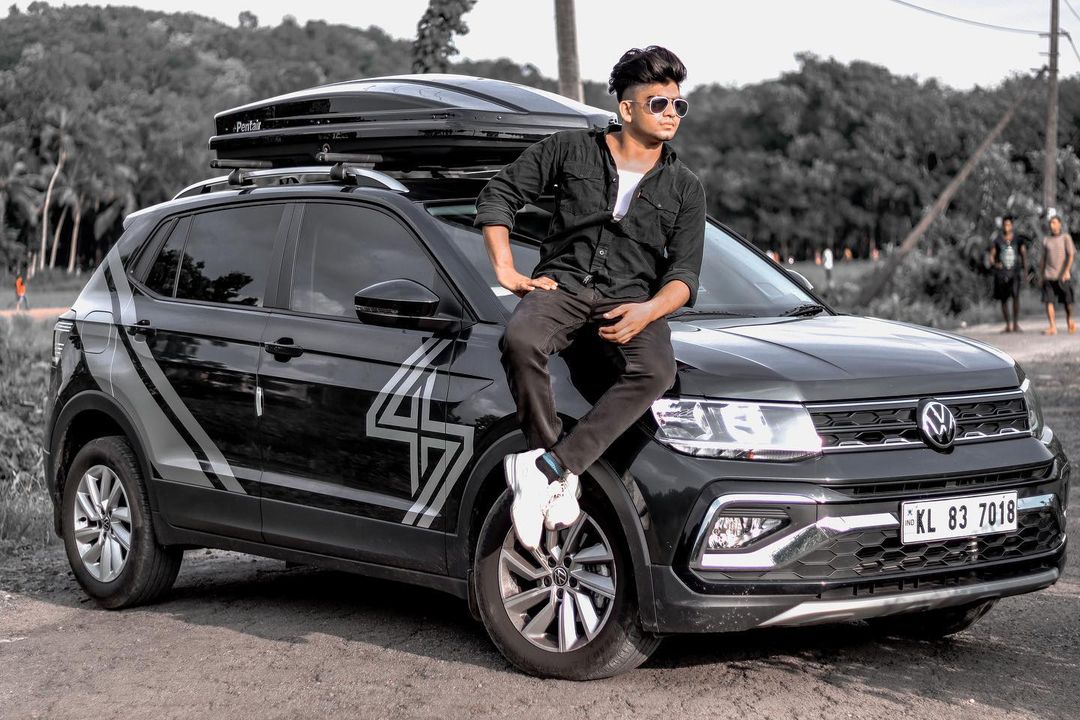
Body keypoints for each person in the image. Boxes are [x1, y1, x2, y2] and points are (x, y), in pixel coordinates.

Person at [475, 46, 706, 550]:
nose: (672, 115)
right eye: (659, 104)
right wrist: (508, 271)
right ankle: (548, 459)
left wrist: (648, 310)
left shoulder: (685, 187)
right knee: (520, 338)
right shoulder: (568, 150)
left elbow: (684, 274)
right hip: (564, 284)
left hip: (631, 301)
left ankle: (551, 469)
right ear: (627, 109)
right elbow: (499, 196)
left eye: (678, 106)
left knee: (657, 371)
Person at [989, 215, 1028, 333]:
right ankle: (1008, 325)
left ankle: (1015, 324)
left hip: (1015, 273)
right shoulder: (998, 240)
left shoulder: (1018, 239)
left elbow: (1024, 255)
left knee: (1016, 297)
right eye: (1005, 225)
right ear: (1002, 226)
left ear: (1012, 225)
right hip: (1002, 274)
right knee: (1004, 300)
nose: (1007, 227)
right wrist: (996, 264)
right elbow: (991, 255)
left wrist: (1025, 271)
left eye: (1009, 224)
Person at [1040, 214, 1076, 335]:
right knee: (1048, 301)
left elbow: (1071, 255)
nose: (1052, 225)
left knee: (1068, 303)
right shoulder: (1046, 240)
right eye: (1050, 223)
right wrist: (1041, 275)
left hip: (1063, 276)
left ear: (1060, 224)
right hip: (1049, 275)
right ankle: (1052, 326)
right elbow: (1043, 259)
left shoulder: (1066, 238)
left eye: (1054, 223)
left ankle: (1069, 320)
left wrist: (1066, 271)